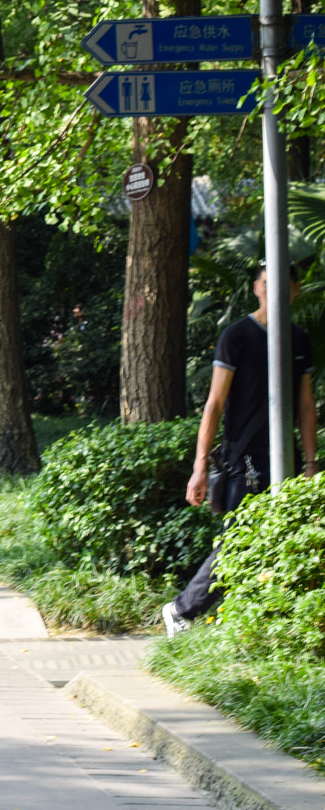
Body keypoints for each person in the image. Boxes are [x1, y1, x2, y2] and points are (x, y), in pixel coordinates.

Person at [168, 262, 317, 634]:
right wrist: (200, 466)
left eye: (283, 284)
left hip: (287, 456)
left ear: (296, 289)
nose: (275, 291)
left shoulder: (299, 339)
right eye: (268, 284)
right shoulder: (236, 336)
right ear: (256, 288)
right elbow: (215, 404)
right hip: (244, 456)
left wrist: (311, 462)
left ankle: (258, 624)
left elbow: (305, 406)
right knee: (238, 540)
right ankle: (182, 611)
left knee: (283, 539)